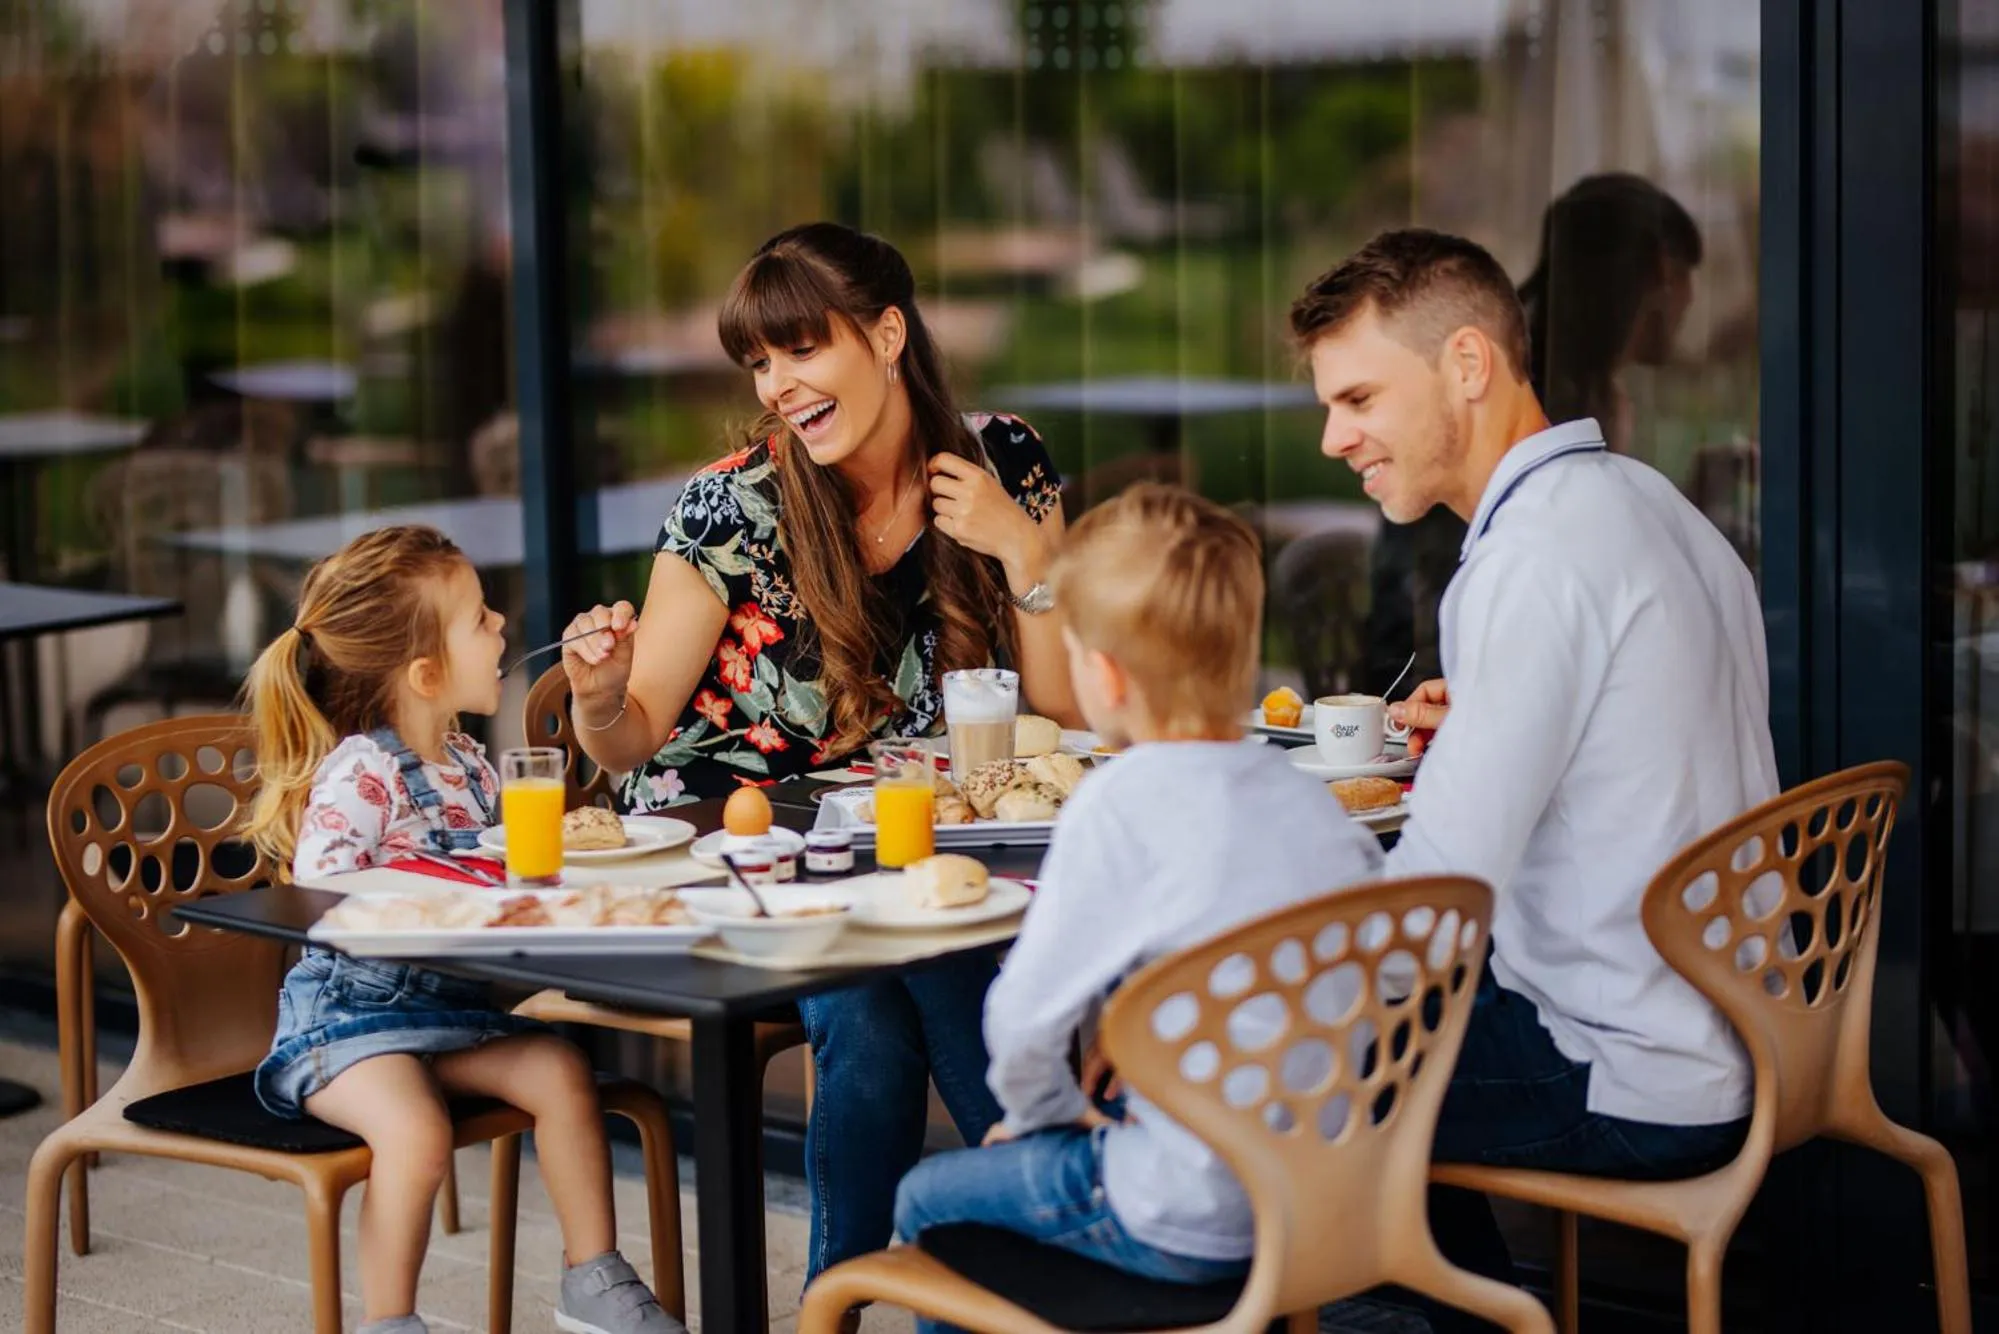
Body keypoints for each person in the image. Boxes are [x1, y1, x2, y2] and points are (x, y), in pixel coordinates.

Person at [558, 222, 1078, 1279]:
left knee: (936, 966)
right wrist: (599, 693)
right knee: (893, 1003)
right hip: (743, 856)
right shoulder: (730, 507)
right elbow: (630, 739)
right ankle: (1004, 1256)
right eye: (759, 361)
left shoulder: (1004, 461)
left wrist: (1022, 546)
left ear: (887, 334)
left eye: (801, 349)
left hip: (911, 845)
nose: (778, 385)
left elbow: (1067, 715)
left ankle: (1007, 1263)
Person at [1289, 229, 1777, 1330]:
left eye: (1359, 396)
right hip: (1733, 1025)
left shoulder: (1529, 560)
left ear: (1467, 364)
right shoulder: (1647, 505)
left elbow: (1439, 897)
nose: (1334, 437)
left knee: (1271, 1083)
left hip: (1628, 1062)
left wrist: (1267, 991)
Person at [891, 484, 1386, 1306]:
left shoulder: (1117, 805)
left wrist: (1047, 1119)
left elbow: (1020, 1025)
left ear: (1106, 678)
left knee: (929, 1200)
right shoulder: (1306, 798)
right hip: (1317, 1198)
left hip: (1180, 1211)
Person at [242, 525, 678, 1334]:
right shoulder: (360, 772)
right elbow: (319, 894)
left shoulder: (473, 766)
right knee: (416, 1129)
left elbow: (498, 867)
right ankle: (390, 1320)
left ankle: (591, 1280)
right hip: (347, 1027)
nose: (502, 626)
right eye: (479, 619)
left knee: (558, 1069)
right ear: (425, 672)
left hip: (447, 1017)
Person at [1359, 173, 1704, 693]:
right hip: (1438, 684)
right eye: (1685, 275)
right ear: (1659, 271)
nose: (1693, 299)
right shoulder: (1530, 397)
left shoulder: (1572, 381)